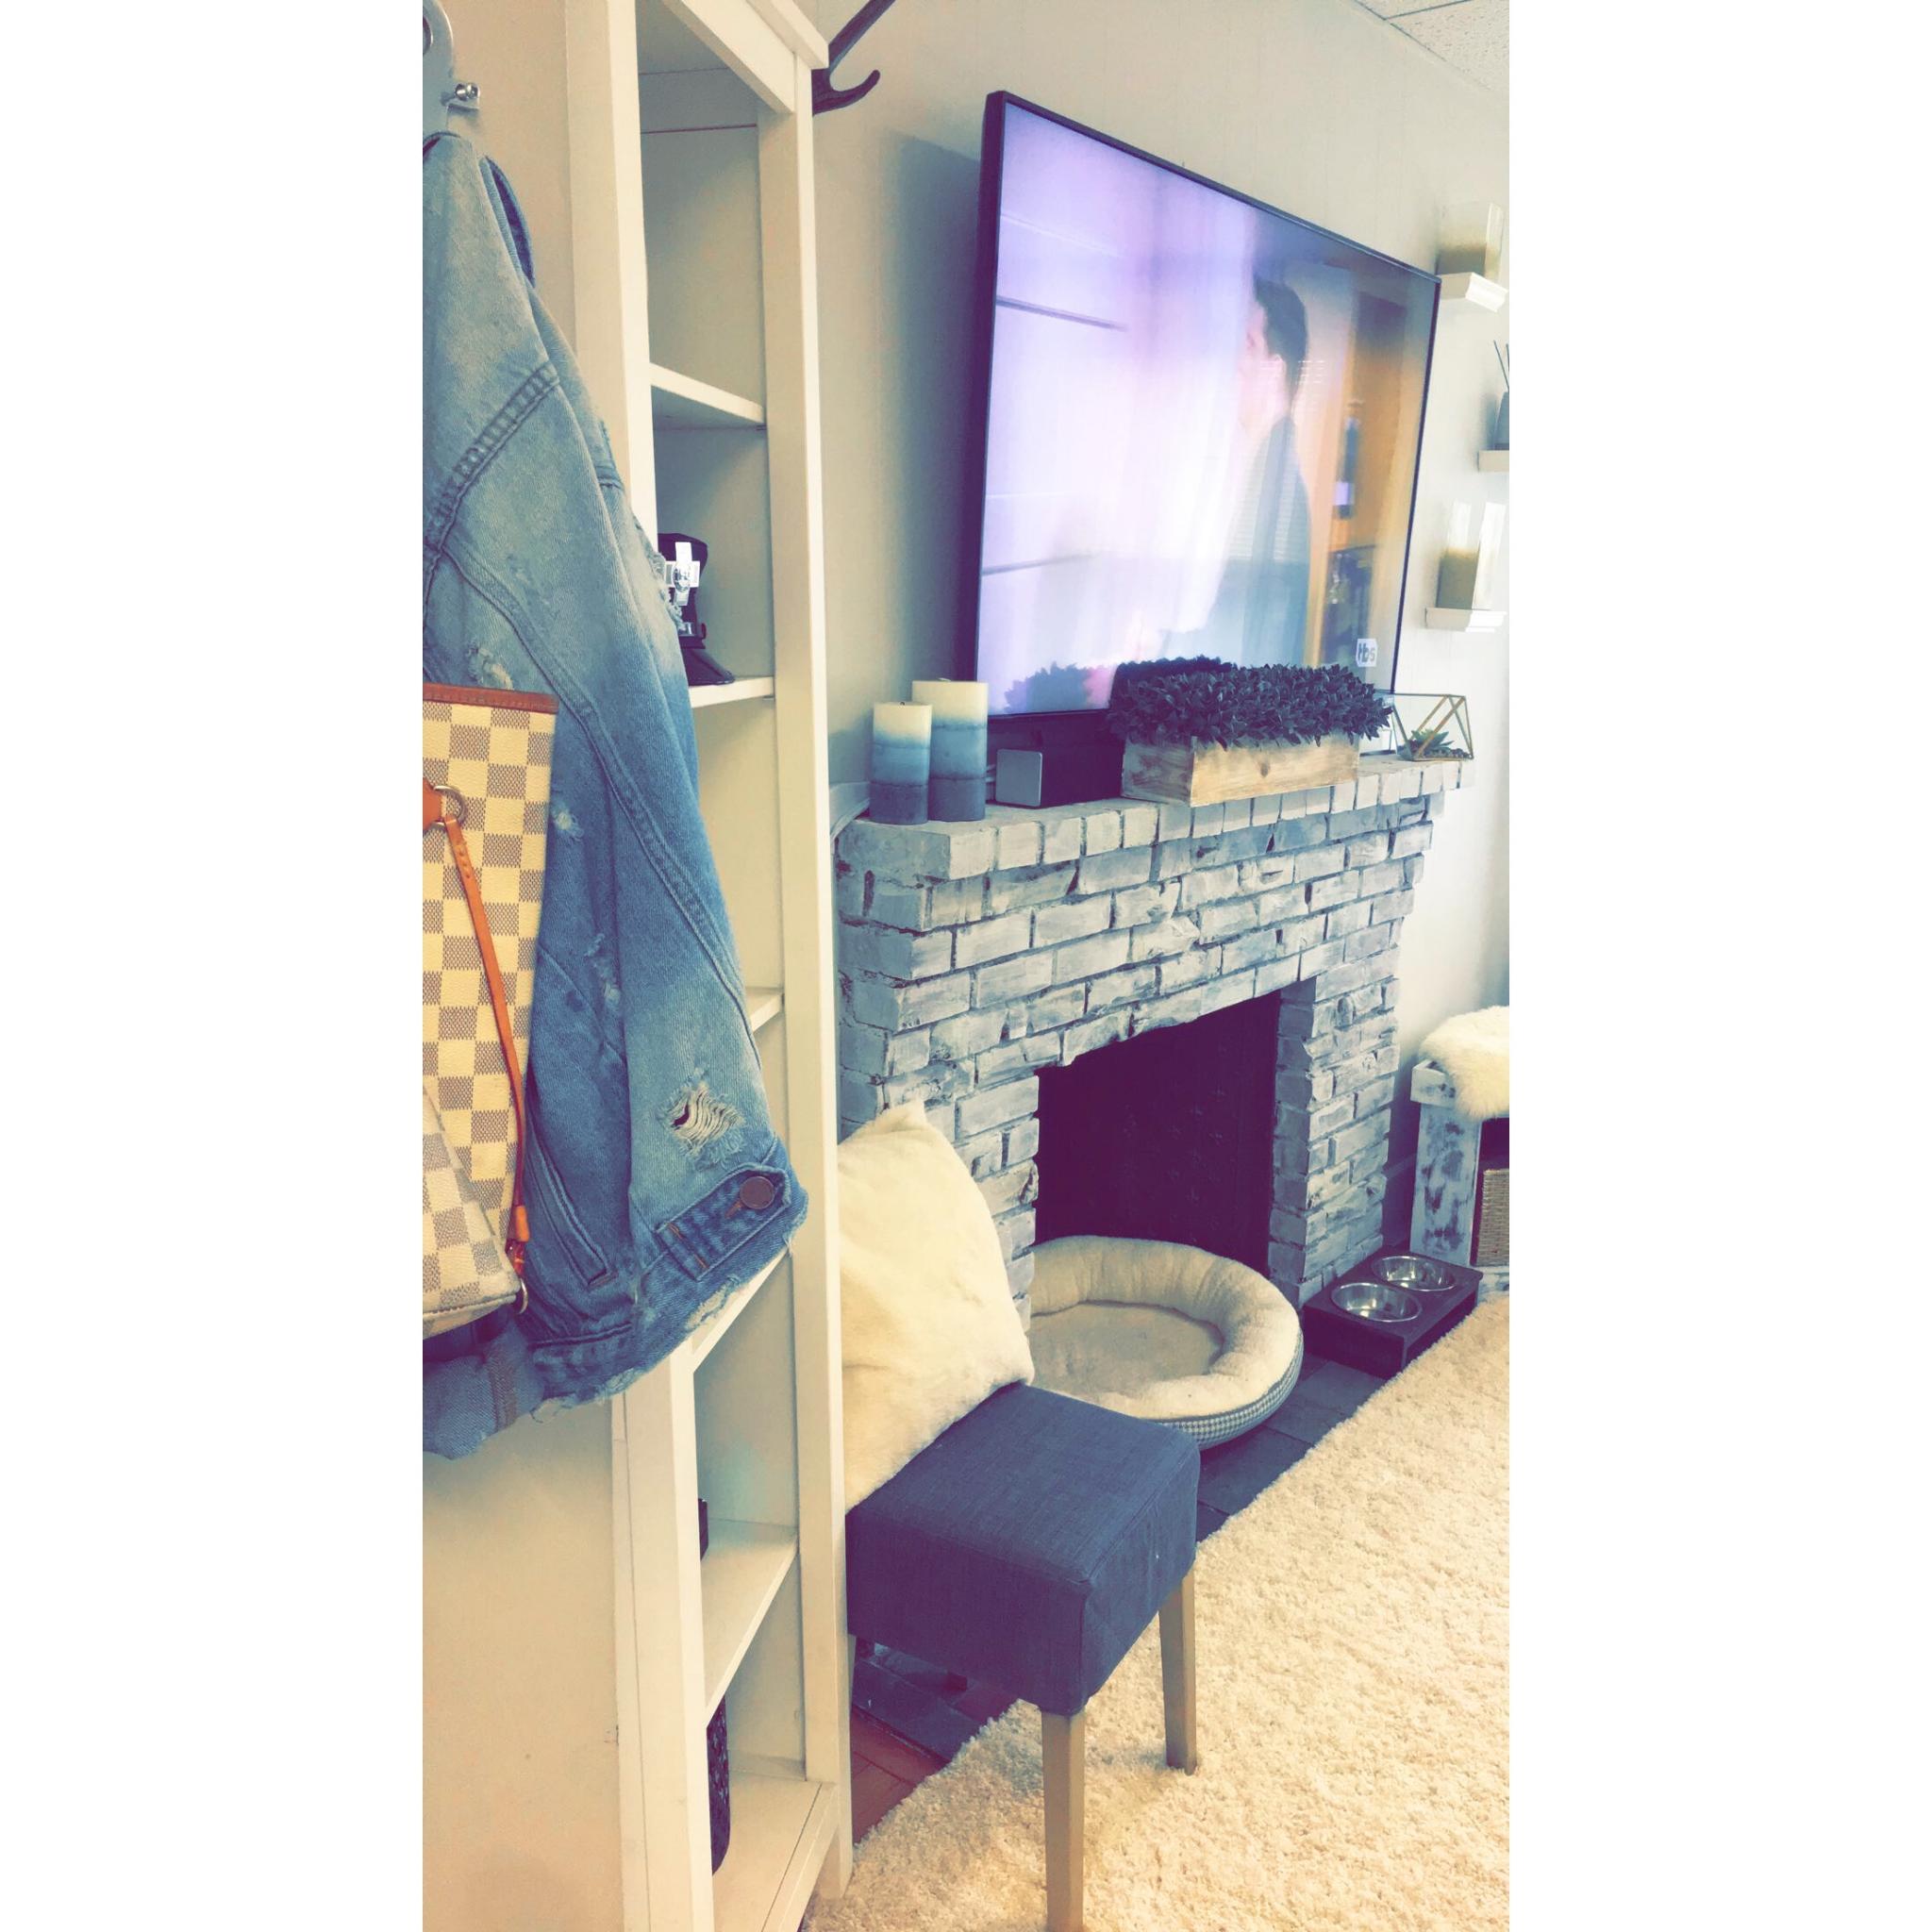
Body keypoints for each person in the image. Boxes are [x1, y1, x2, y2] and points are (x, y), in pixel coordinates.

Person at [1184, 272, 1315, 668]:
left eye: (1247, 344)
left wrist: (1126, 676)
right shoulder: (1264, 468)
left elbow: (1247, 651)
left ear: (1275, 370)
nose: (1233, 361)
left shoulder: (1277, 490)